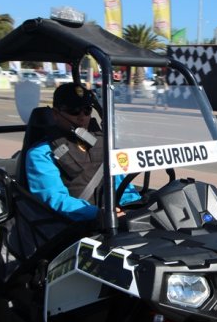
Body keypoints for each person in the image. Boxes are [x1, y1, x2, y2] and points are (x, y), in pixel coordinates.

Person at [25, 82, 139, 221]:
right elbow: (55, 198)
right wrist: (97, 214)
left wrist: (132, 206)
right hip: (73, 228)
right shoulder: (41, 153)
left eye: (87, 110)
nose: (82, 117)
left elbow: (120, 182)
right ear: (55, 114)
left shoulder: (102, 143)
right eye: (74, 111)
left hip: (111, 220)